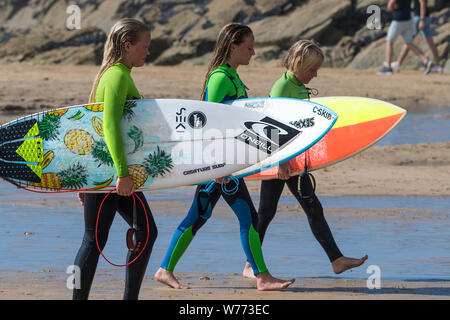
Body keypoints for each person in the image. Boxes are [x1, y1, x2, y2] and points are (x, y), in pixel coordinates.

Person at [154, 23, 295, 291]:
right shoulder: (220, 78)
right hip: (217, 163)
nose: (253, 52)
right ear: (233, 46)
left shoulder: (230, 75)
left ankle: (165, 269)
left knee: (199, 216)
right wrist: (217, 168)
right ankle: (262, 277)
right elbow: (207, 124)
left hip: (222, 163)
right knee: (245, 218)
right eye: (249, 47)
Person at [242, 40, 368, 279]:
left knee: (292, 209)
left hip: (294, 157)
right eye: (312, 69)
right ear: (299, 64)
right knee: (273, 211)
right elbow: (271, 127)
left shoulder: (297, 86)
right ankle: (251, 265)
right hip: (280, 158)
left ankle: (335, 260)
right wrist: (281, 162)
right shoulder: (282, 87)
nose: (315, 75)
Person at [73, 18, 158, 300]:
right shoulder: (117, 76)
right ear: (127, 45)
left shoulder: (115, 74)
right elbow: (108, 127)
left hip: (109, 173)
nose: (148, 52)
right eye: (144, 47)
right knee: (95, 240)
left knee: (104, 238)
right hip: (112, 174)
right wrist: (122, 174)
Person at [377, 0, 432, 75]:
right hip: (408, 19)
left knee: (389, 42)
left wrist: (392, 8)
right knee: (409, 43)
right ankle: (426, 61)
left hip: (398, 20)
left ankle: (388, 67)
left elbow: (390, 6)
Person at [391, 0, 443, 73]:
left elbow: (422, 3)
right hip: (425, 17)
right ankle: (438, 65)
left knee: (408, 41)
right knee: (430, 42)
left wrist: (421, 20)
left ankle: (399, 63)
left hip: (419, 18)